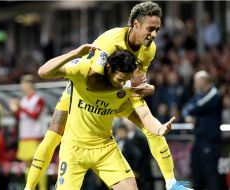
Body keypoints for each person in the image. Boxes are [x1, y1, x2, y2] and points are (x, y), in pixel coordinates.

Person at [25, 2, 191, 190]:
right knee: (53, 135)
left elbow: (137, 80)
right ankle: (29, 187)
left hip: (117, 99)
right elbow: (93, 82)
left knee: (151, 126)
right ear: (136, 24)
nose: (154, 35)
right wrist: (127, 84)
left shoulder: (149, 50)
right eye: (151, 29)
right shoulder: (109, 43)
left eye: (157, 30)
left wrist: (146, 88)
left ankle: (171, 182)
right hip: (80, 93)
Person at [38, 43, 175, 190]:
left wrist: (159, 129)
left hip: (104, 148)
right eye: (120, 79)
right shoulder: (83, 72)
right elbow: (43, 72)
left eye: (126, 80)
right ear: (109, 68)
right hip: (74, 149)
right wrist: (75, 53)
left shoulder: (128, 88)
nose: (122, 84)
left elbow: (145, 116)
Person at [182, 70, 222, 190]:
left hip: (210, 141)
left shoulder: (214, 94)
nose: (194, 83)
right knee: (197, 174)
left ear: (203, 81)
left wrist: (191, 113)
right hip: (199, 139)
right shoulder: (199, 95)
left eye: (196, 81)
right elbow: (186, 109)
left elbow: (196, 107)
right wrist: (188, 116)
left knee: (211, 176)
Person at [9, 75, 48, 190]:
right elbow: (19, 117)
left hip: (36, 136)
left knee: (38, 165)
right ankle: (29, 187)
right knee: (27, 165)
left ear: (29, 85)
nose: (22, 87)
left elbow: (34, 115)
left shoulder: (38, 99)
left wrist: (20, 107)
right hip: (24, 137)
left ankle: (42, 188)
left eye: (23, 84)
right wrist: (14, 111)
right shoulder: (23, 100)